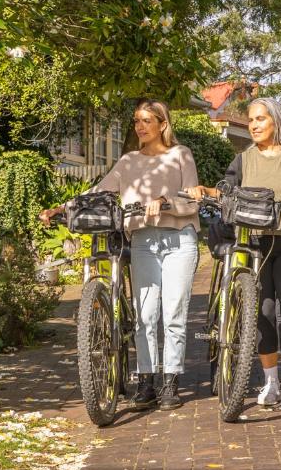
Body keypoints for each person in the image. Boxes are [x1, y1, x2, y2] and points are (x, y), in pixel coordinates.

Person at [40, 100, 200, 411]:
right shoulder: (128, 162)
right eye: (137, 121)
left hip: (179, 240)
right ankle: (147, 381)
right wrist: (63, 208)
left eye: (146, 121)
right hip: (142, 240)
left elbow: (192, 199)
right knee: (145, 315)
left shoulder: (181, 155)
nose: (140, 127)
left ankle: (170, 382)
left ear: (162, 125)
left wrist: (165, 199)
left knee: (173, 313)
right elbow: (98, 192)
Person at [188, 98, 281, 410]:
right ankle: (270, 382)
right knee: (262, 312)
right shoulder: (244, 158)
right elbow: (226, 190)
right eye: (251, 120)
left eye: (261, 119)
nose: (254, 125)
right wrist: (204, 190)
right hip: (255, 243)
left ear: (276, 122)